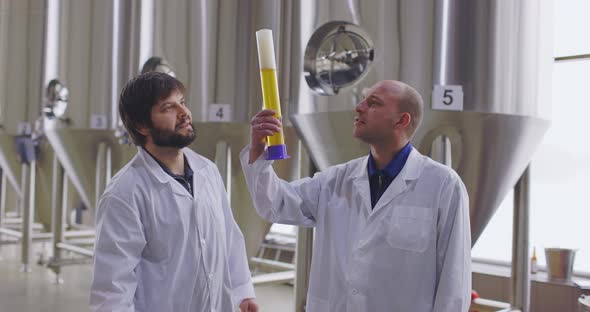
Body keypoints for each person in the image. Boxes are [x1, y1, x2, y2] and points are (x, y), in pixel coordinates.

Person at [240, 80, 471, 311]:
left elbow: (454, 283)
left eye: (373, 103)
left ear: (402, 120)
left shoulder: (443, 186)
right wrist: (258, 154)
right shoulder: (337, 180)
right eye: (362, 100)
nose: (359, 107)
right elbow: (276, 204)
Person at [90, 72, 258, 312]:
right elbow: (112, 288)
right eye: (169, 107)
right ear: (141, 125)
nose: (184, 113)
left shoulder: (207, 171)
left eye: (183, 102)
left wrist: (242, 294)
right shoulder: (125, 192)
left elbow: (229, 239)